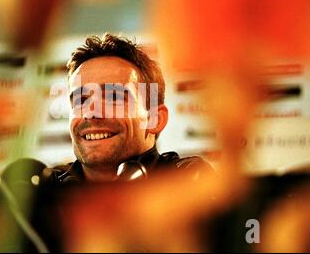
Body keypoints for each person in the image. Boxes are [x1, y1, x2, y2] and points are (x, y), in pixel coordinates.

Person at [47, 33, 215, 184]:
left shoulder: (188, 183)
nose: (91, 111)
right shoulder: (41, 192)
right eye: (80, 100)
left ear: (155, 118)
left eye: (113, 97)